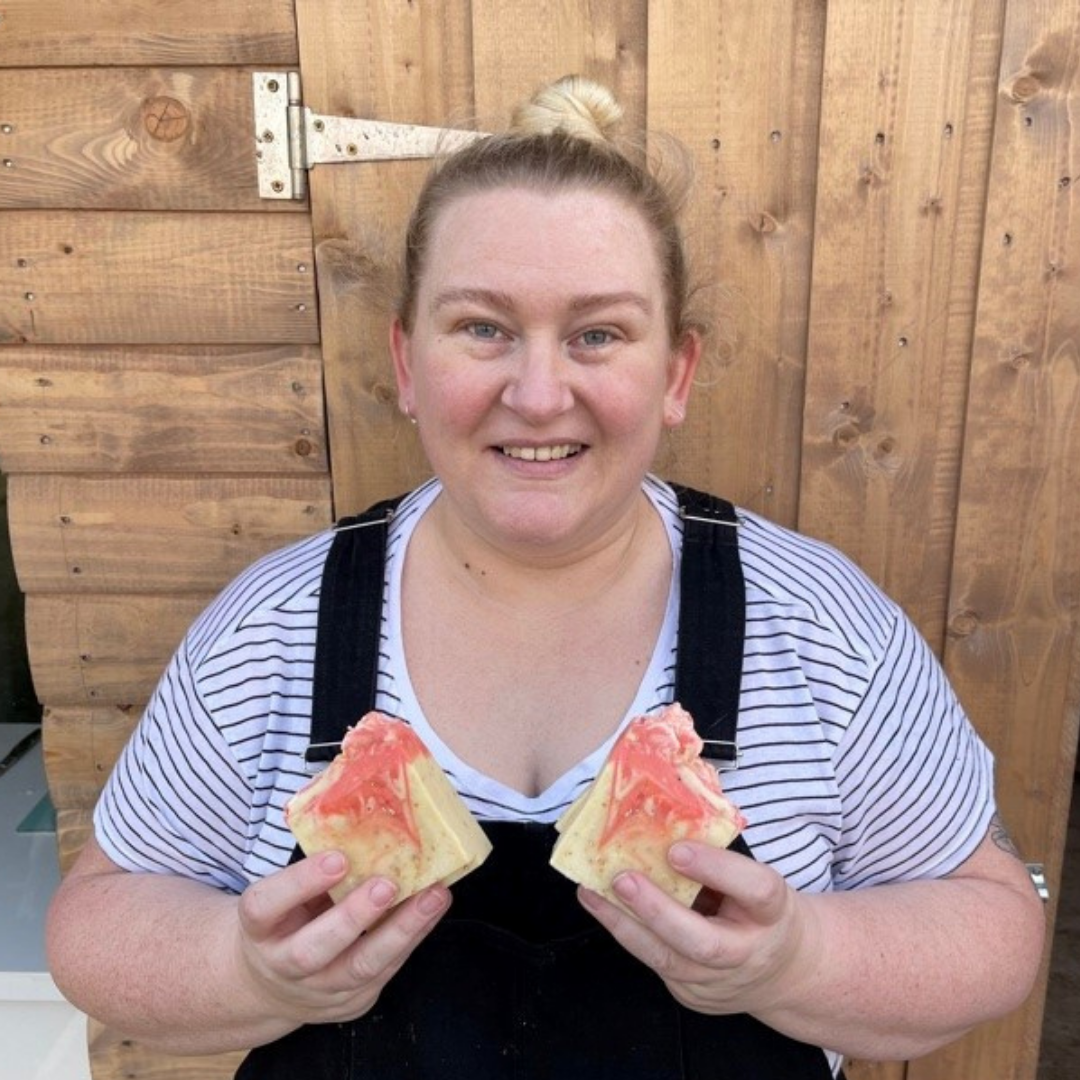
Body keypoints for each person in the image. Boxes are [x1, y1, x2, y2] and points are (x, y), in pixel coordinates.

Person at [47, 76, 1044, 1079]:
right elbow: (100, 921)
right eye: (482, 327)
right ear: (404, 362)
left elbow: (990, 927)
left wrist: (798, 958)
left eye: (597, 334)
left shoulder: (819, 626)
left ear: (677, 374)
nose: (536, 393)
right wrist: (243, 969)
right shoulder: (278, 627)